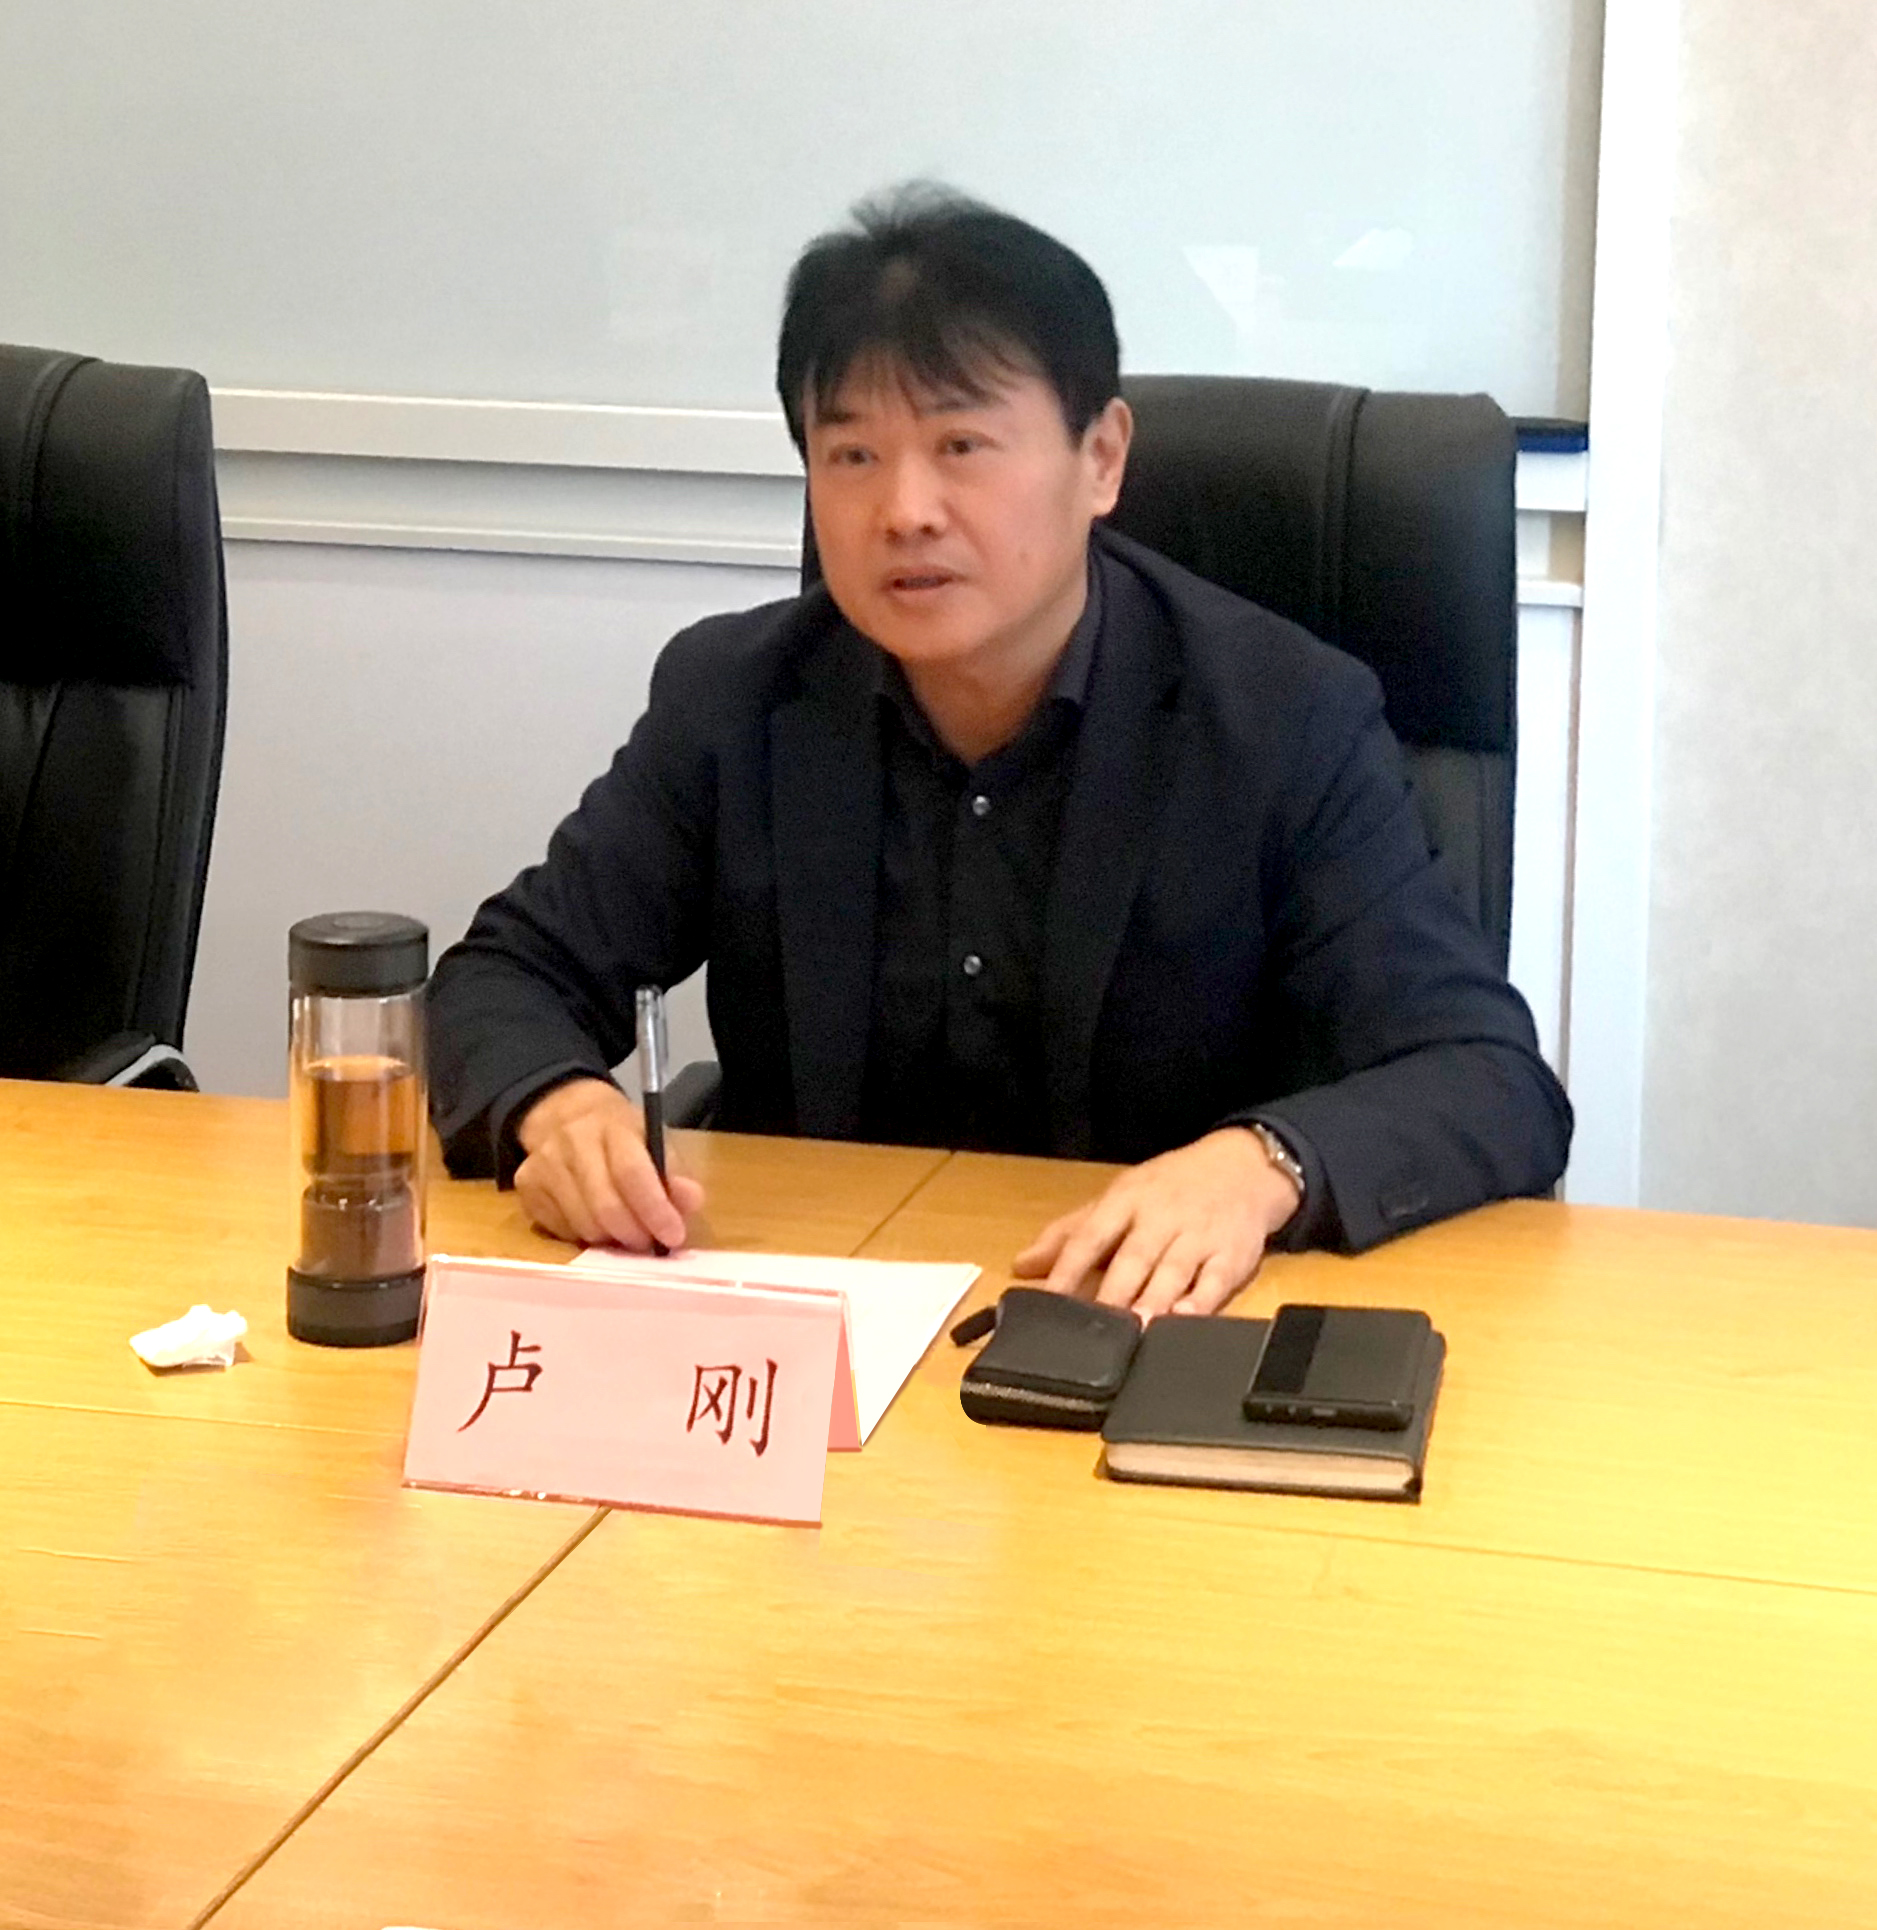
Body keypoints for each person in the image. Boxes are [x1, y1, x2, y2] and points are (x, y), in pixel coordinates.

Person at [428, 185, 1570, 1316]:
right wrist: (555, 1105)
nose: (905, 510)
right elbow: (502, 974)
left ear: (1101, 458)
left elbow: (1486, 1075)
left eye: (961, 444)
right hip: (821, 1312)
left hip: (1150, 1325)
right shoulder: (736, 700)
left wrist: (1257, 1165)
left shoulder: (1283, 718)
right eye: (852, 455)